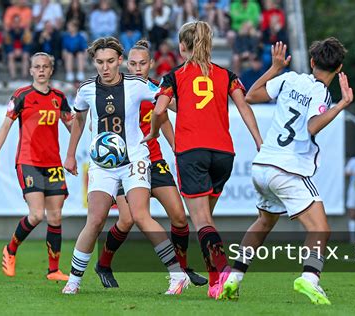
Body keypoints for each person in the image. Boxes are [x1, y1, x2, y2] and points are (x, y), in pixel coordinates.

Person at [143, 21, 263, 300]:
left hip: (192, 152)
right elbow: (243, 106)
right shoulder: (226, 75)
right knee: (206, 221)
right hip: (223, 154)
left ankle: (223, 271)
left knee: (201, 221)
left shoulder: (174, 76)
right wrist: (258, 140)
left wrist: (151, 132)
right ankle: (214, 285)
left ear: (182, 46)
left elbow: (159, 109)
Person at [228, 39, 353, 305]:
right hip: (288, 169)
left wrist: (274, 68)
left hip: (262, 166)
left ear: (311, 62)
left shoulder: (289, 79)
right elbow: (312, 127)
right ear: (339, 67)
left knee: (263, 222)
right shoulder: (322, 93)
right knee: (321, 229)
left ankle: (234, 276)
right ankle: (310, 279)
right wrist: (341, 104)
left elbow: (251, 95)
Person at [62, 37, 189, 295]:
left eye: (110, 61)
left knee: (140, 216)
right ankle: (73, 281)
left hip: (135, 159)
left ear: (120, 61)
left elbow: (165, 102)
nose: (105, 67)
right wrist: (70, 154)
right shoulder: (86, 89)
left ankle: (177, 275)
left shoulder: (137, 85)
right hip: (102, 164)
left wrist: (187, 108)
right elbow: (78, 119)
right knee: (95, 219)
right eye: (99, 62)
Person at [93, 39, 207, 288]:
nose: (137, 68)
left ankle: (183, 269)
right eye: (132, 63)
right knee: (127, 220)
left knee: (179, 217)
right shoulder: (120, 89)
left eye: (142, 63)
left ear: (151, 64)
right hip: (128, 164)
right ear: (125, 64)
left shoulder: (156, 89)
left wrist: (178, 149)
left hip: (154, 161)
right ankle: (103, 264)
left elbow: (165, 119)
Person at [0, 52, 73, 281]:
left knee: (55, 216)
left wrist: (75, 152)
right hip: (29, 161)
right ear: (31, 70)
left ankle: (53, 270)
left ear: (51, 70)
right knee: (36, 215)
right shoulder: (22, 96)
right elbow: (5, 126)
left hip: (53, 163)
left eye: (46, 66)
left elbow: (71, 125)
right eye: (37, 67)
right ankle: (11, 249)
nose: (42, 70)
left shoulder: (59, 98)